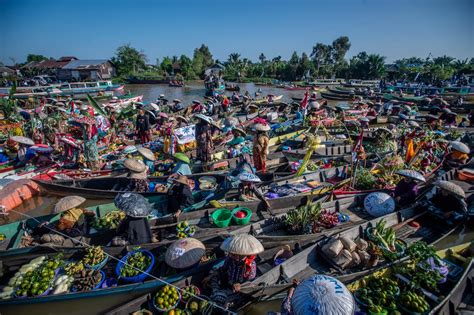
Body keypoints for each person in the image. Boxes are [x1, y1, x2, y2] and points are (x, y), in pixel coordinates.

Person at [208, 234, 263, 307]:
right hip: (228, 283)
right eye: (231, 253)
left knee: (220, 298)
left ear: (242, 254)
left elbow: (251, 283)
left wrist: (240, 285)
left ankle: (220, 294)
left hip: (239, 291)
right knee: (211, 274)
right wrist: (210, 276)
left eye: (234, 254)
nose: (231, 255)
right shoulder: (229, 259)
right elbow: (222, 269)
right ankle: (218, 292)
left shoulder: (251, 265)